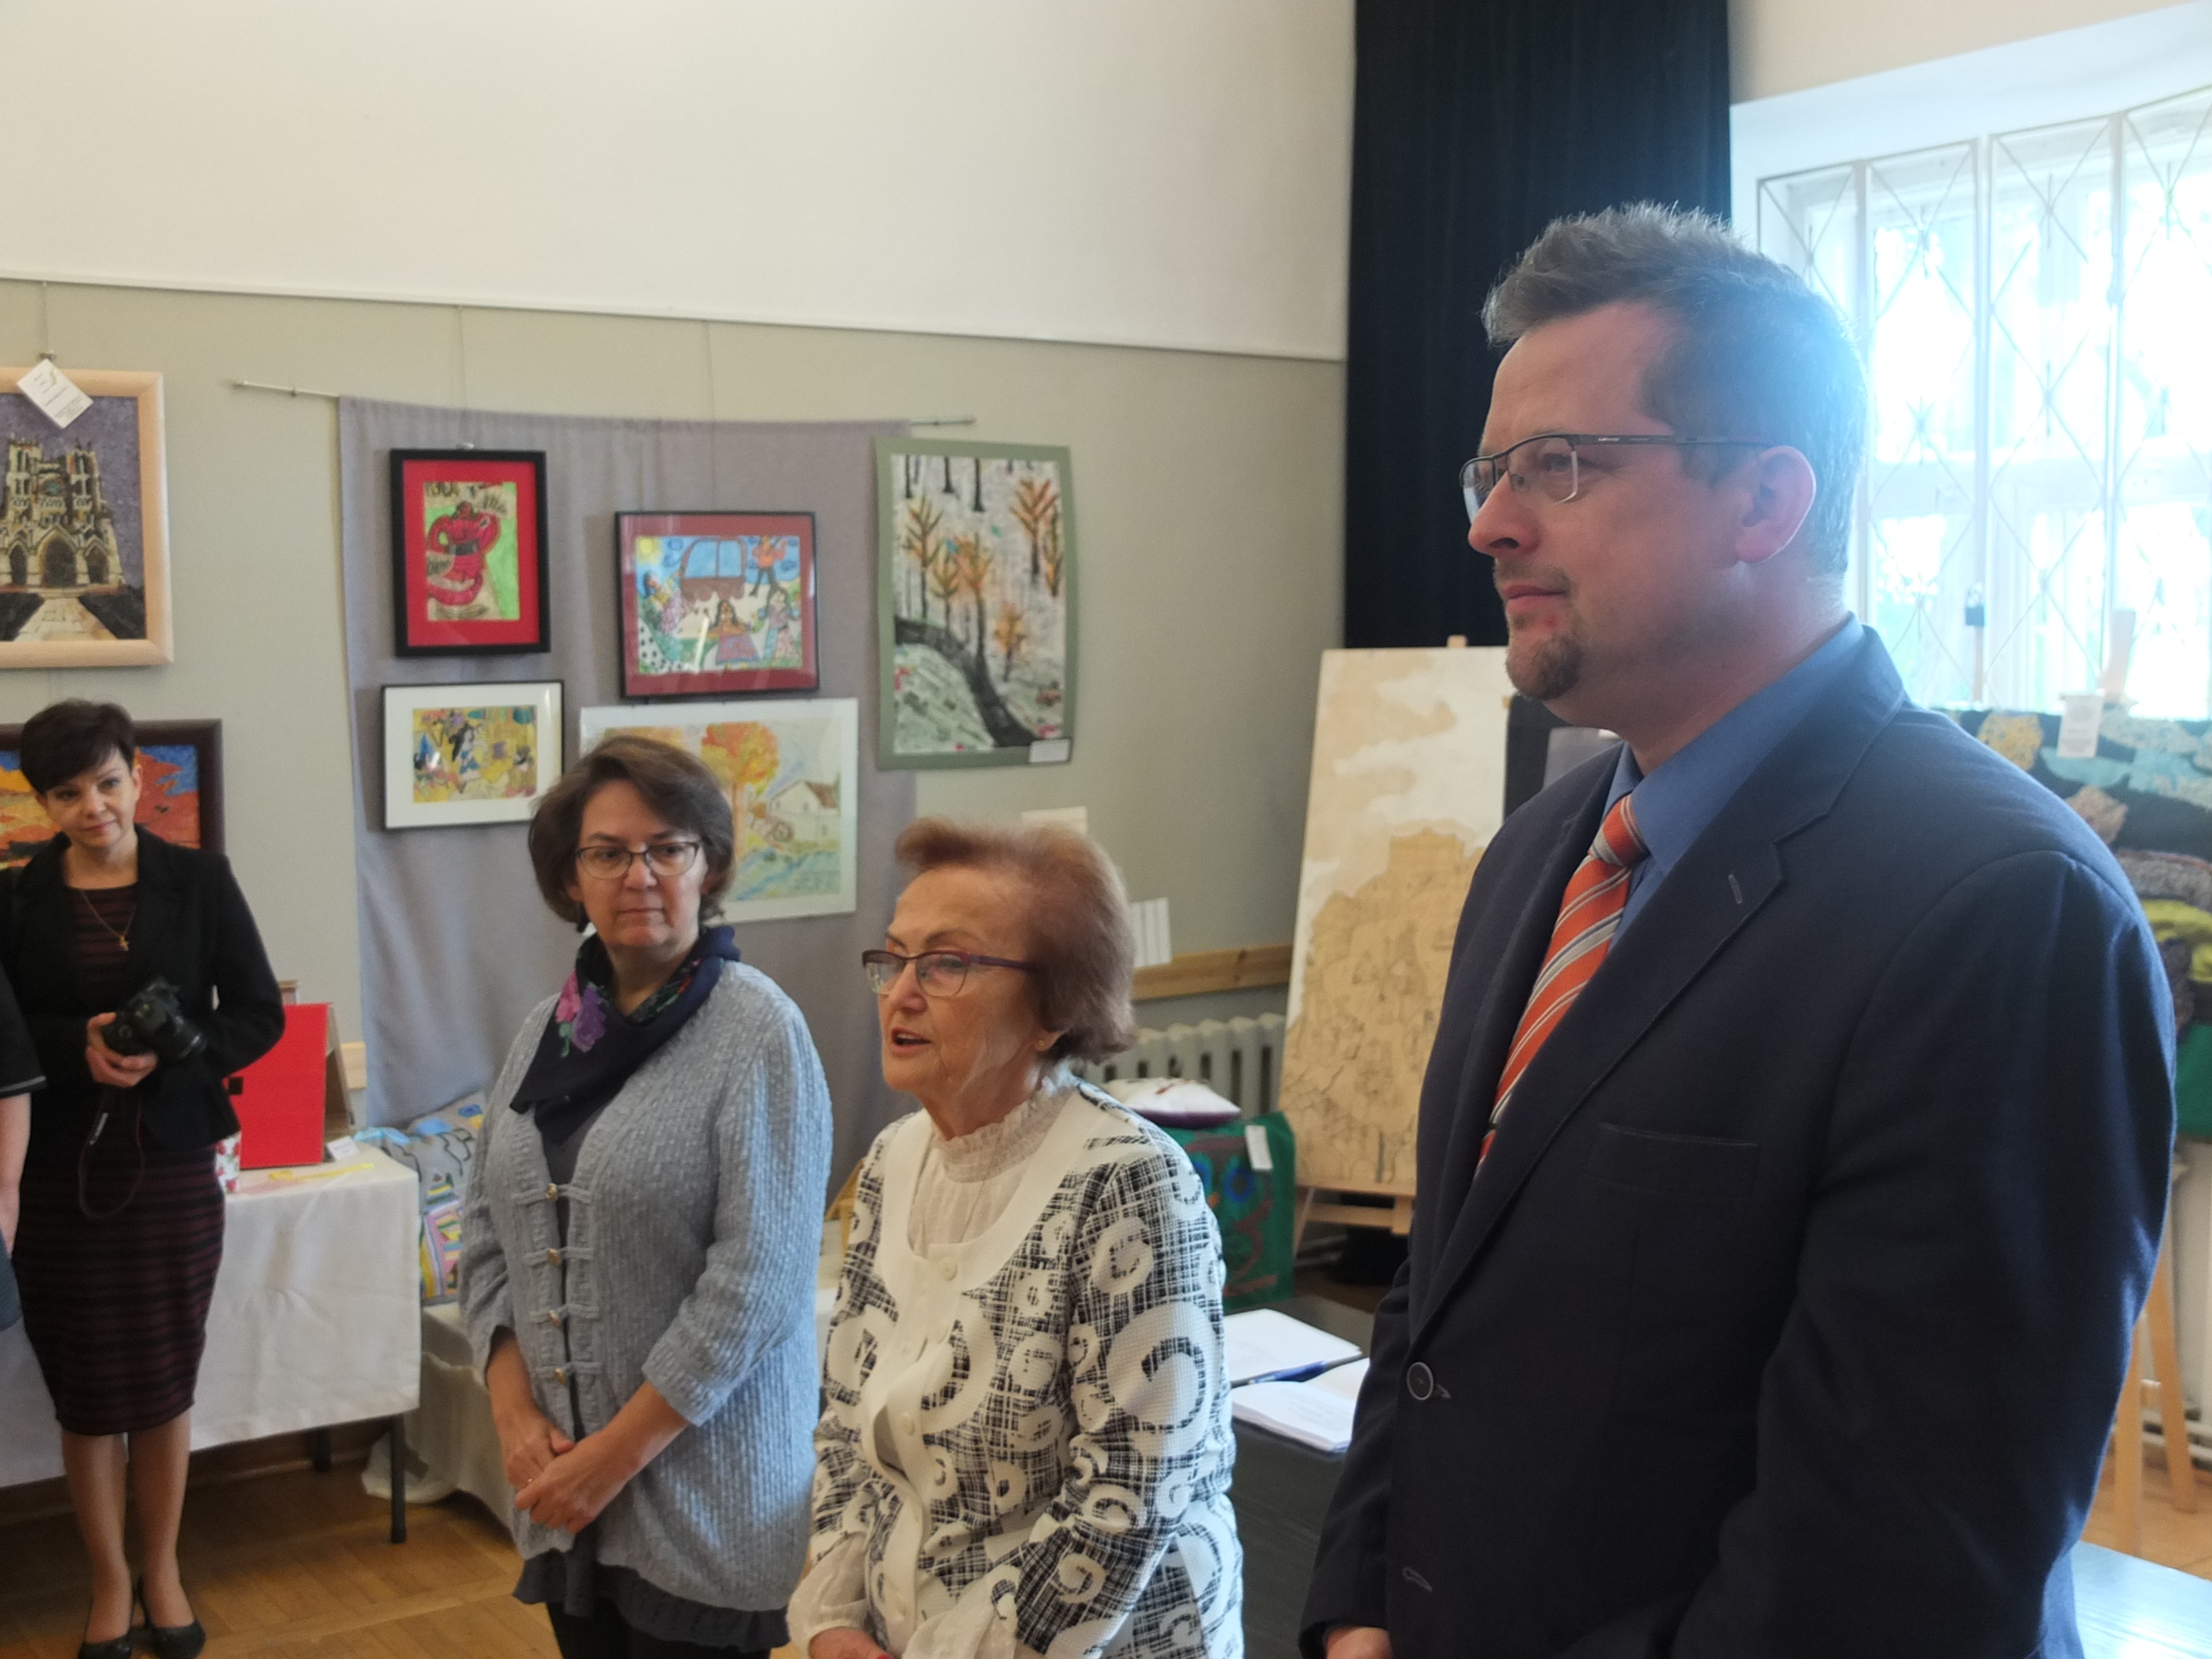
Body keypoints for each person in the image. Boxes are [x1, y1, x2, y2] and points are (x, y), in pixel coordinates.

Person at [1302, 206, 2175, 1659]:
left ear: (1766, 501)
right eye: (1491, 470)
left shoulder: (2000, 909)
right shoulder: (1536, 858)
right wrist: (1355, 1606)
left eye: (1560, 464)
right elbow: (1437, 1307)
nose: (1488, 523)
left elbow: (1896, 1565)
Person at [789, 819, 1241, 1659]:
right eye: (895, 958)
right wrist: (832, 1622)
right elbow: (848, 1427)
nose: (900, 993)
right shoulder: (893, 1160)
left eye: (946, 964)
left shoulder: (1129, 1181)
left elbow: (1127, 1496)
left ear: (1053, 1011)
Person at [461, 734, 833, 1659]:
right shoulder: (547, 1032)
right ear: (570, 877)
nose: (640, 875)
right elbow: (486, 1231)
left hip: (703, 1495)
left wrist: (612, 1457)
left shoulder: (758, 1031)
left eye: (669, 848)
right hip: (566, 1497)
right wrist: (512, 1412)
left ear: (708, 867)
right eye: (608, 853)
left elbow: (756, 1284)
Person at [0, 698, 284, 1659]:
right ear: (43, 804)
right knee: (85, 1388)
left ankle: (162, 1569)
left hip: (169, 1161)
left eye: (109, 782)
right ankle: (109, 1582)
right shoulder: (15, 898)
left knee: (164, 1378)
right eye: (67, 793)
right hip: (55, 1172)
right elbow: (2, 1036)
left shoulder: (199, 881)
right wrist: (75, 1044)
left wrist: (174, 1052)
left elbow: (258, 1013)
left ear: (136, 776)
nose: (94, 807)